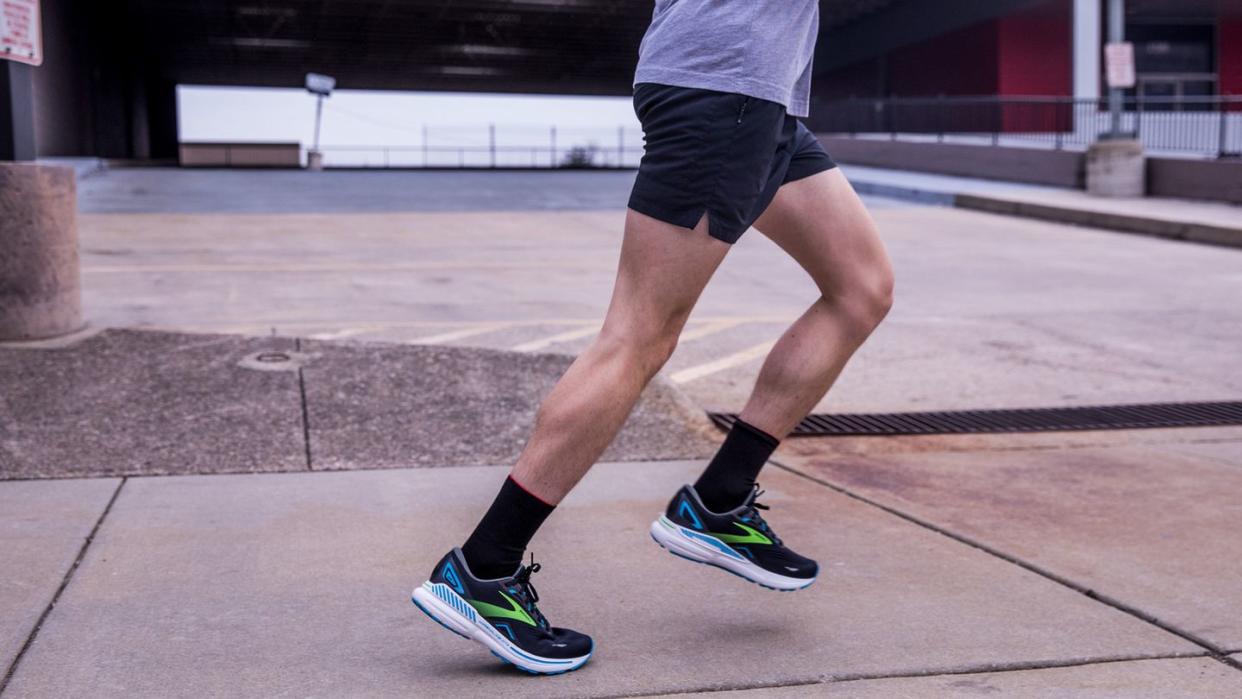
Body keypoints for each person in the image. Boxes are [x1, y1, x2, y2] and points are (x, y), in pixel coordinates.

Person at [410, 0, 894, 675]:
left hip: (760, 95)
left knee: (862, 286)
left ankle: (718, 503)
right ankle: (483, 570)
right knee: (637, 337)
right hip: (727, 86)